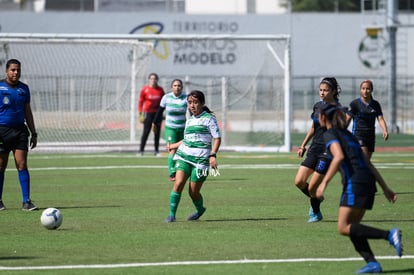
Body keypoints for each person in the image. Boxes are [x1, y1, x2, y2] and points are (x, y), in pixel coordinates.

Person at [316, 103, 402, 274]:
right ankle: (372, 263)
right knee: (353, 226)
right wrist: (385, 187)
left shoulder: (330, 134)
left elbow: (339, 156)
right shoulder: (348, 135)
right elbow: (367, 162)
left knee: (343, 227)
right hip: (368, 183)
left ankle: (389, 235)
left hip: (354, 183)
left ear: (323, 117)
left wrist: (323, 183)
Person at [165, 90, 221, 222]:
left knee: (193, 192)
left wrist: (213, 155)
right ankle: (171, 215)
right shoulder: (189, 121)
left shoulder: (209, 119)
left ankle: (200, 209)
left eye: (195, 102)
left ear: (202, 103)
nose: (192, 105)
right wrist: (173, 145)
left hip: (201, 161)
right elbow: (187, 140)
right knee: (178, 184)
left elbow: (217, 138)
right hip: (185, 157)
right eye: (190, 102)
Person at [294, 77, 341, 222]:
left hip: (327, 152)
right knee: (299, 182)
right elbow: (313, 127)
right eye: (320, 90)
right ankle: (317, 198)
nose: (322, 93)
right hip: (314, 149)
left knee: (312, 188)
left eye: (325, 90)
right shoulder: (317, 106)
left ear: (333, 92)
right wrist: (303, 144)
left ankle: (315, 212)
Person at [0, 59, 38, 211]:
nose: (16, 73)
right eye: (13, 70)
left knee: (22, 164)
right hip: (1, 131)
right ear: (6, 71)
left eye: (18, 70)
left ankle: (26, 201)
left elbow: (28, 112)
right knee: (1, 165)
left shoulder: (24, 89)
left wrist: (34, 133)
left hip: (20, 132)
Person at [153, 79, 187, 182]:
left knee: (181, 150)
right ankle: (172, 173)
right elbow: (159, 111)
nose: (177, 87)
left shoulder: (186, 98)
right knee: (172, 149)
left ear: (182, 87)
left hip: (182, 128)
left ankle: (180, 171)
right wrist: (154, 123)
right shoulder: (166, 97)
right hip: (170, 128)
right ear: (172, 87)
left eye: (179, 85)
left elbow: (192, 110)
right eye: (175, 85)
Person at [348, 80, 389, 159]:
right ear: (360, 90)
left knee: (366, 163)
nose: (365, 91)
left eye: (368, 89)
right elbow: (347, 119)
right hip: (358, 135)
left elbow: (380, 119)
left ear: (371, 90)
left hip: (370, 136)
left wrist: (385, 130)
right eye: (363, 88)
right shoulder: (355, 104)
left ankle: (357, 171)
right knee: (365, 159)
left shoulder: (375, 104)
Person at [137, 73, 165, 156]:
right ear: (149, 80)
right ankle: (141, 150)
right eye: (151, 78)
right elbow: (141, 102)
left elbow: (163, 102)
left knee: (157, 132)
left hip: (157, 114)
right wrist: (140, 114)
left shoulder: (160, 90)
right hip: (148, 113)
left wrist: (162, 113)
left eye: (154, 78)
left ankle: (156, 151)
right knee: (146, 132)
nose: (153, 80)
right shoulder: (145, 89)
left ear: (157, 80)